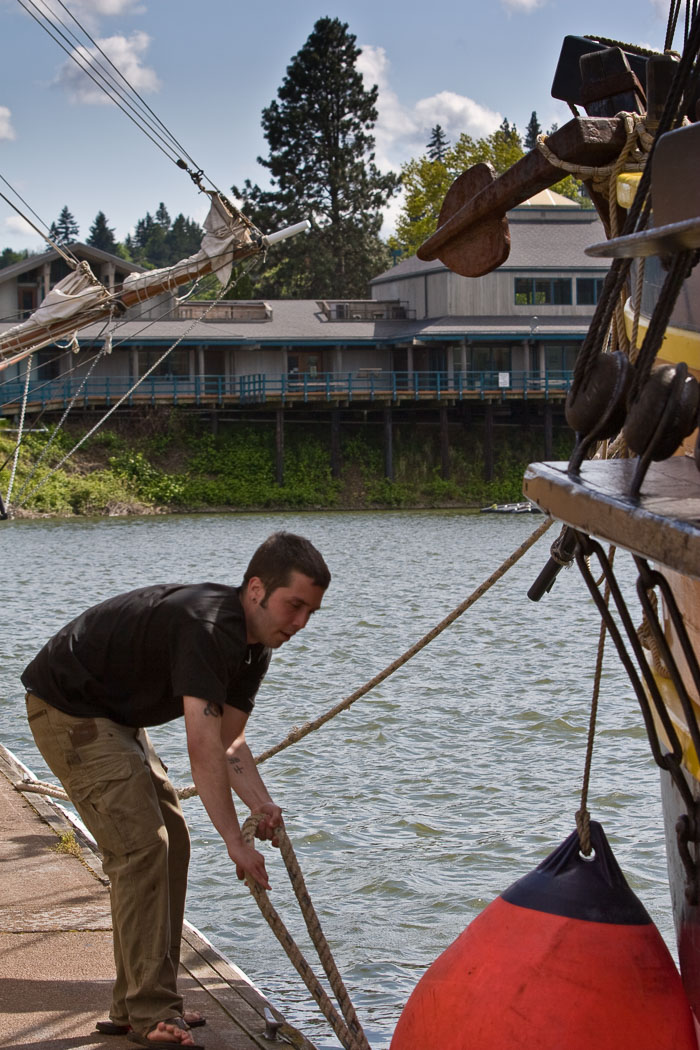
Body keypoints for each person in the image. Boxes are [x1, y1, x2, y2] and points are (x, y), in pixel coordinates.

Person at [22, 532, 331, 1049]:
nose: (299, 623)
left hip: (116, 717)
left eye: (310, 613)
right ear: (256, 588)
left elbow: (231, 741)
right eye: (293, 605)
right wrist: (236, 841)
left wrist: (261, 804)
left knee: (174, 839)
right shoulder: (208, 626)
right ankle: (149, 1010)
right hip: (69, 708)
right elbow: (201, 744)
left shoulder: (255, 647)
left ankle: (140, 1000)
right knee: (143, 846)